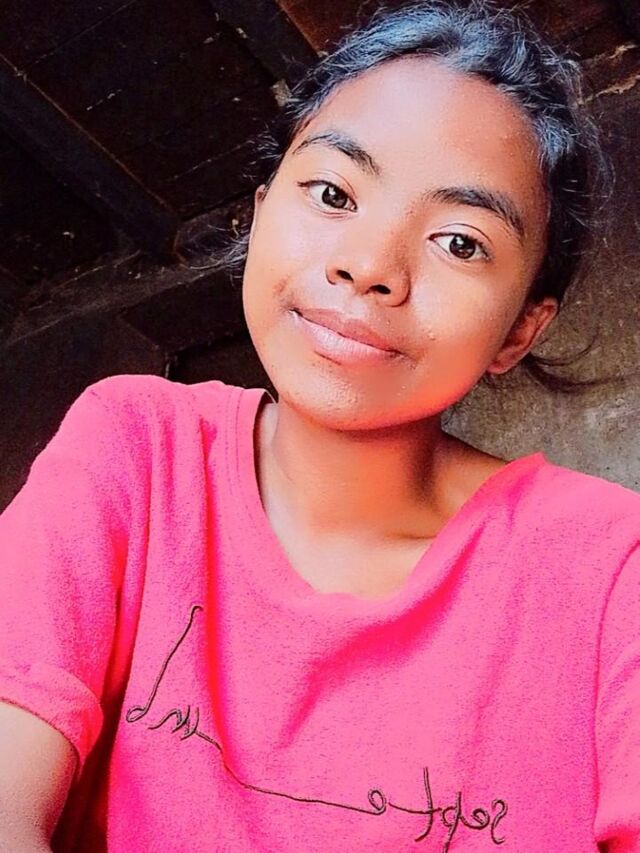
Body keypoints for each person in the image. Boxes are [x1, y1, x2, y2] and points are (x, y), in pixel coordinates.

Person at [0, 1, 638, 850]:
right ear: (263, 209)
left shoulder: (610, 568)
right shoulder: (138, 447)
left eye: (459, 241)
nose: (369, 266)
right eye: (334, 194)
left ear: (519, 329)